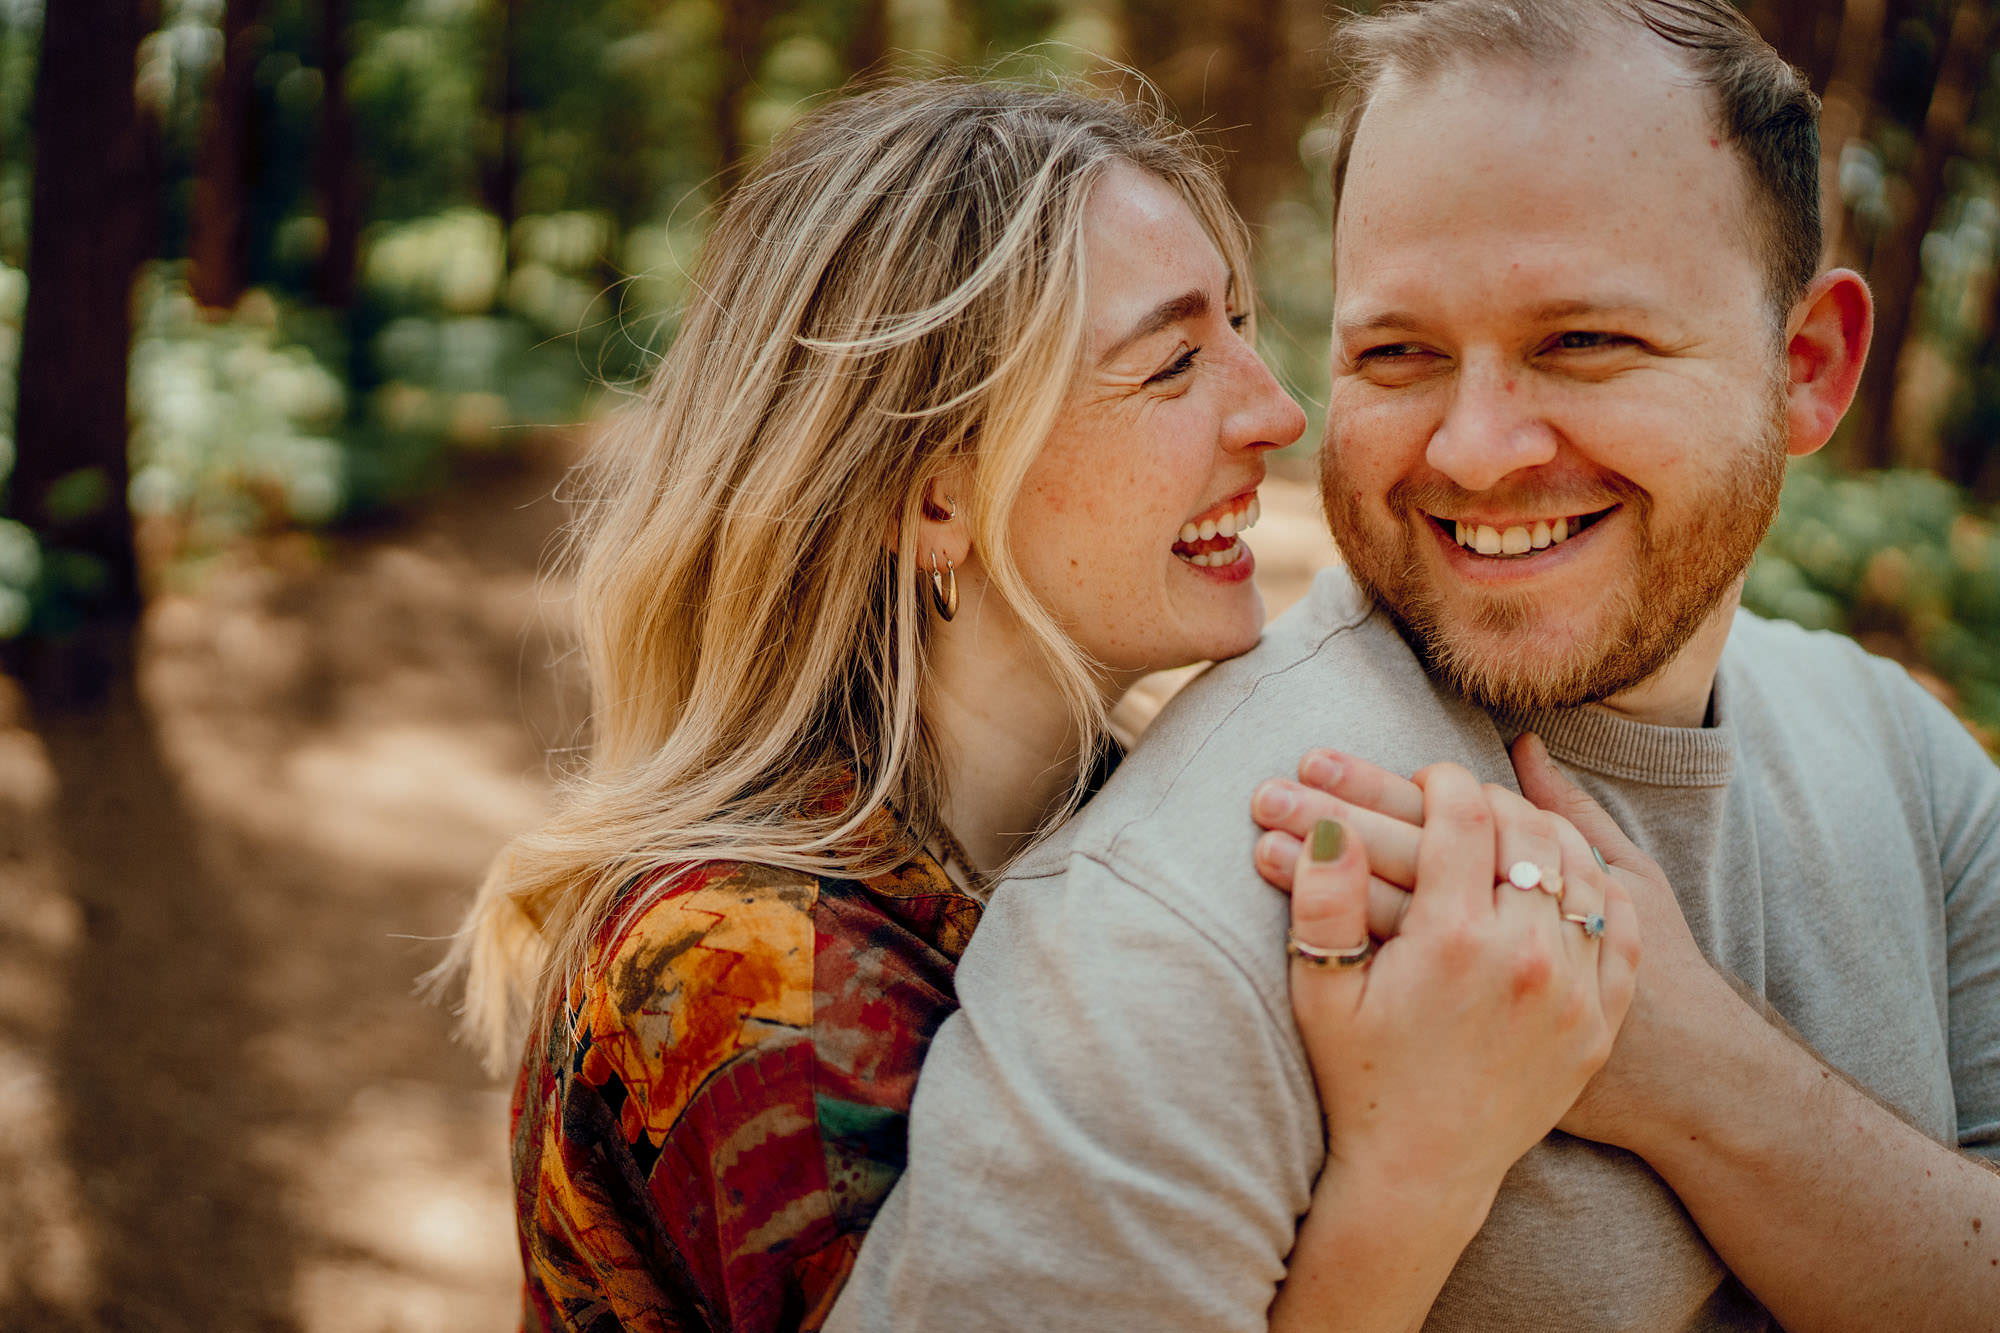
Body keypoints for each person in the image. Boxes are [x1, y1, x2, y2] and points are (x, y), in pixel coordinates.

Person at [826, 4, 2000, 1330]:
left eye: (1583, 342)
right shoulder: (1178, 915)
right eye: (1398, 354)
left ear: (1809, 366)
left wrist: (1699, 1077)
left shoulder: (1912, 759)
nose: (1479, 451)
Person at [431, 78, 1635, 1332]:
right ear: (935, 492)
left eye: (1238, 324)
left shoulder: (1129, 830)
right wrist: (1418, 1169)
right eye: (1173, 362)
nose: (1277, 413)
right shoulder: (748, 978)